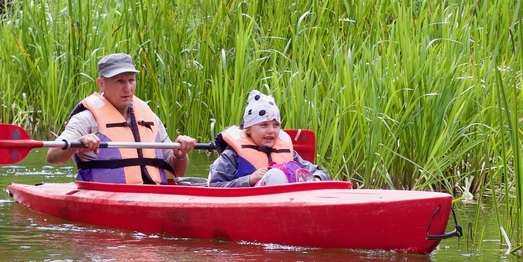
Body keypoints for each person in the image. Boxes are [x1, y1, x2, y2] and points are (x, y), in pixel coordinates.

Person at [47, 53, 197, 184]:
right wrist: (77, 144)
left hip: (153, 195)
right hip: (102, 196)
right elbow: (53, 156)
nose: (127, 88)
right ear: (101, 84)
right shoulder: (85, 119)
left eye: (131, 80)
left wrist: (180, 155)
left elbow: (178, 171)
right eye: (119, 81)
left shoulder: (150, 118)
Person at [207, 89, 330, 187]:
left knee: (284, 175)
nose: (271, 130)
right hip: (250, 204)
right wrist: (248, 180)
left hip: (286, 202)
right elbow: (215, 185)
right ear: (248, 129)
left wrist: (316, 178)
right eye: (264, 125)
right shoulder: (232, 155)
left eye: (276, 125)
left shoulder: (289, 153)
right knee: (275, 175)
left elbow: (321, 172)